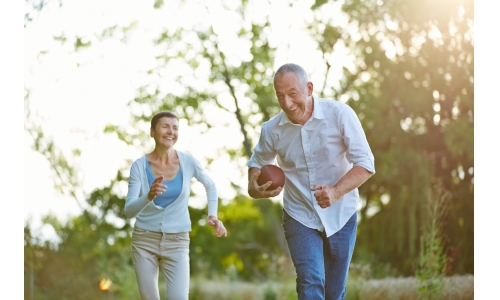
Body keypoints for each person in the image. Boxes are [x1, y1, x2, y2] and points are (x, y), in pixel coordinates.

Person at [247, 63, 375, 300]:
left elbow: (366, 164)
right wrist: (253, 187)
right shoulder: (272, 129)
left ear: (309, 88)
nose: (287, 103)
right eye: (280, 96)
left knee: (334, 293)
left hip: (341, 215)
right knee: (310, 281)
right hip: (299, 215)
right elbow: (257, 162)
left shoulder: (340, 114)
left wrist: (336, 191)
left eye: (293, 94)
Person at [124, 111, 227, 300]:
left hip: (178, 242)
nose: (171, 131)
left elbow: (210, 185)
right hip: (144, 241)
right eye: (165, 126)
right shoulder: (139, 166)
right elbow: (128, 211)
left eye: (175, 127)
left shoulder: (188, 162)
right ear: (152, 132)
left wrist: (212, 215)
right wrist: (148, 196)